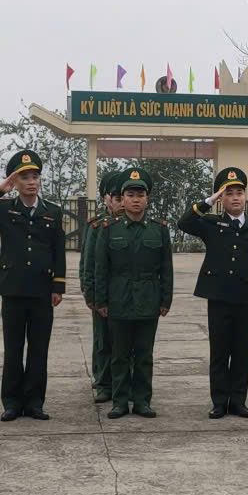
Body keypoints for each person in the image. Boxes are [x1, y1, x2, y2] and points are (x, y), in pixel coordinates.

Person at [0, 150, 66, 421]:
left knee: (38, 349)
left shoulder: (52, 212)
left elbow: (59, 250)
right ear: (15, 180)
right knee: (13, 349)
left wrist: (58, 286)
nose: (31, 181)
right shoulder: (4, 209)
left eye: (35, 176)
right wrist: (0, 189)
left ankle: (35, 402)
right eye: (24, 177)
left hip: (41, 290)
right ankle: (11, 402)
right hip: (12, 288)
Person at [177, 167, 248, 419]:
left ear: (245, 196)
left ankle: (238, 401)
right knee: (219, 352)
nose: (235, 197)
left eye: (239, 192)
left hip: (244, 298)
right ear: (221, 198)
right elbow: (184, 222)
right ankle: (219, 401)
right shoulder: (211, 223)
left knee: (242, 353)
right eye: (229, 193)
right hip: (219, 298)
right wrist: (209, 200)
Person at [95, 169, 173, 419]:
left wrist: (165, 300)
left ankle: (142, 401)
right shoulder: (108, 229)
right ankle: (119, 402)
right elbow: (100, 269)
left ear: (147, 199)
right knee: (118, 354)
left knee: (143, 355)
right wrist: (101, 301)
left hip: (149, 301)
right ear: (123, 198)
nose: (135, 199)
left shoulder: (159, 229)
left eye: (140, 194)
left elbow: (166, 269)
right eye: (130, 194)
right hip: (118, 301)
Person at [80, 171, 124, 404]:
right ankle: (104, 383)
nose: (120, 202)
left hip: (127, 294)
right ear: (106, 198)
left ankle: (124, 382)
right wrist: (90, 293)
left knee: (127, 342)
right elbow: (87, 263)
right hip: (103, 294)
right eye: (115, 197)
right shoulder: (97, 225)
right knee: (103, 340)